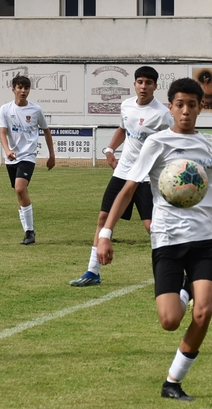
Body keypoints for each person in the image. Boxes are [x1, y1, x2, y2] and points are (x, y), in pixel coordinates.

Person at [96, 78, 212, 402]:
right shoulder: (157, 143)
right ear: (171, 107)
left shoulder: (207, 145)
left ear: (200, 107)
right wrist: (105, 234)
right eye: (180, 104)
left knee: (203, 312)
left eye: (193, 105)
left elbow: (207, 192)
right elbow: (128, 189)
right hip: (168, 240)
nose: (186, 111)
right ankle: (187, 288)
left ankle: (172, 382)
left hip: (206, 239)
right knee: (169, 321)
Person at [69, 66, 173, 287]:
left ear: (155, 86)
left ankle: (169, 271)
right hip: (124, 172)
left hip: (146, 177)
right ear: (134, 84)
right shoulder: (126, 106)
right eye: (140, 82)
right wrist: (109, 149)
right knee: (103, 219)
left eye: (148, 83)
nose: (143, 86)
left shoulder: (162, 114)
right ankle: (92, 272)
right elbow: (123, 129)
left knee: (151, 226)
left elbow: (170, 144)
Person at [0, 75, 56, 245]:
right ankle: (27, 232)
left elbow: (46, 131)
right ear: (13, 89)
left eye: (26, 88)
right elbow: (2, 132)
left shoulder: (36, 110)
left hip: (28, 156)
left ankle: (30, 232)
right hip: (11, 158)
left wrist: (52, 156)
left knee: (20, 188)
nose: (23, 91)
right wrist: (7, 150)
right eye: (20, 87)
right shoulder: (5, 109)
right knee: (20, 194)